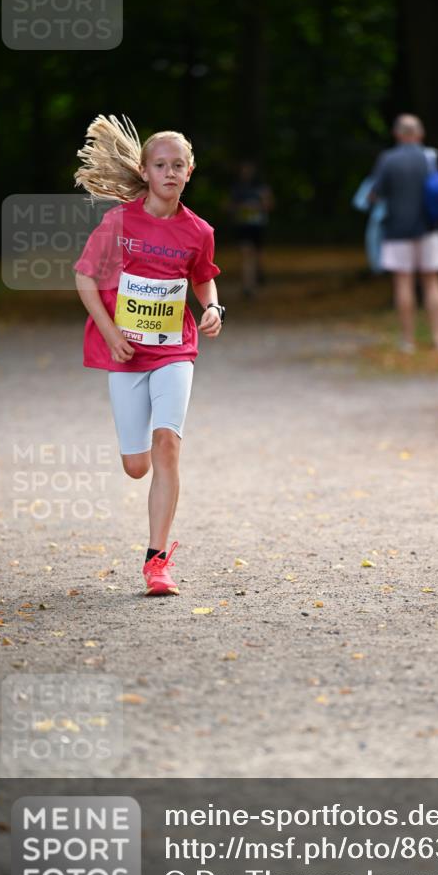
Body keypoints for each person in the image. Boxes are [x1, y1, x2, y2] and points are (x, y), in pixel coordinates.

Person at [73, 114, 224, 595]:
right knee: (136, 465)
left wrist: (214, 305)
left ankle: (157, 562)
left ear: (190, 171)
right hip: (125, 354)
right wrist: (109, 330)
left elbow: (202, 276)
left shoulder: (198, 231)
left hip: (175, 351)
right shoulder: (118, 222)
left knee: (167, 445)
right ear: (145, 170)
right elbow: (85, 278)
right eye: (161, 164)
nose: (170, 172)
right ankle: (138, 471)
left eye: (179, 165)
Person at [370, 114, 438, 354]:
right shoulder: (431, 158)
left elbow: (375, 194)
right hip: (429, 228)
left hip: (397, 230)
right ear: (420, 134)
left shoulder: (388, 160)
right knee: (432, 281)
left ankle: (408, 340)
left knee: (403, 282)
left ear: (397, 134)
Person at [228, 161, 274, 297]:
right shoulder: (237, 189)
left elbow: (269, 205)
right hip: (243, 227)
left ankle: (256, 276)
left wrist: (258, 205)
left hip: (258, 226)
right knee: (247, 253)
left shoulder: (261, 188)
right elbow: (229, 206)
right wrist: (241, 208)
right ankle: (248, 286)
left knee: (257, 255)